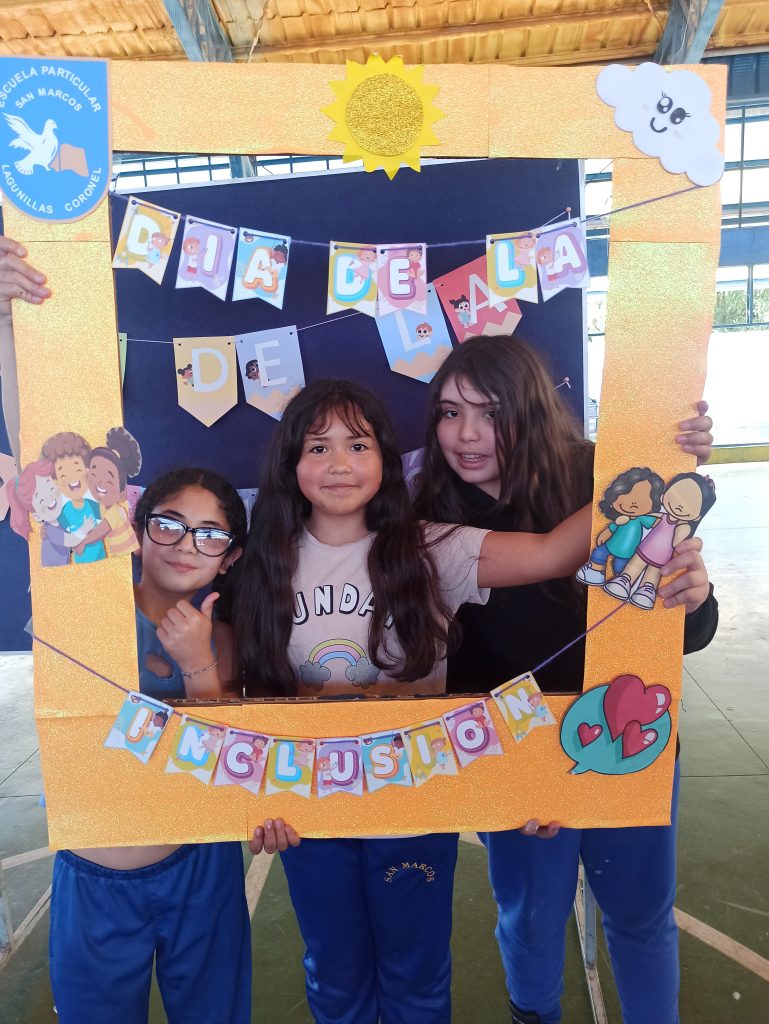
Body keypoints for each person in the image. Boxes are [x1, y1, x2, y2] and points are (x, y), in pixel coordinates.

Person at [0, 238, 301, 1022]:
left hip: (198, 865)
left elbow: (234, 758)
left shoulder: (230, 634)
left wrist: (199, 667)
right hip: (94, 871)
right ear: (136, 526)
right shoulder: (86, 590)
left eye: (209, 534)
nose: (183, 543)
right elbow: (47, 459)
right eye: (168, 522)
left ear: (231, 556)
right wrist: (7, 324)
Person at [232, 377, 594, 1024]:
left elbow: (552, 552)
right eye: (317, 447)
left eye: (357, 445)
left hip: (416, 805)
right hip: (312, 814)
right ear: (290, 463)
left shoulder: (431, 550)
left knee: (417, 973)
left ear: (385, 459)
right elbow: (248, 698)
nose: (338, 464)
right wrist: (259, 799)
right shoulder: (263, 562)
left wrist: (654, 473)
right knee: (334, 973)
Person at [413, 334, 719, 1024]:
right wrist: (494, 773)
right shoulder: (430, 513)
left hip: (630, 731)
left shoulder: (608, 479)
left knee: (640, 911)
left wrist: (691, 595)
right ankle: (533, 1013)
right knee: (530, 913)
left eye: (491, 414)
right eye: (451, 412)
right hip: (517, 748)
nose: (466, 434)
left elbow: (685, 631)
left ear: (529, 411)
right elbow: (448, 666)